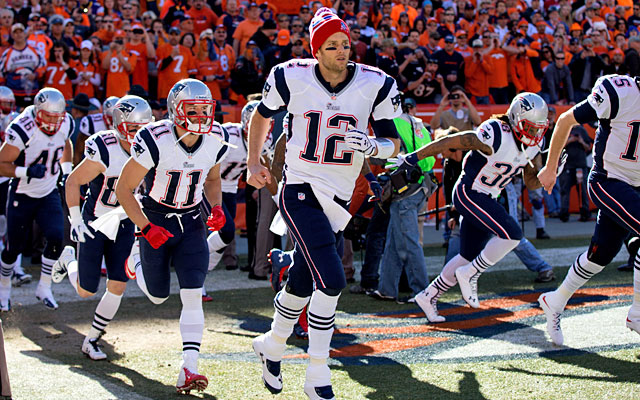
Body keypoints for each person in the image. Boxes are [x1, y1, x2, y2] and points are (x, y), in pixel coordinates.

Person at [247, 8, 401, 399]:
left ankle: (272, 345)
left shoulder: (375, 82)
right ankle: (318, 374)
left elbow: (392, 143)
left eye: (345, 44)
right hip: (299, 186)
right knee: (332, 279)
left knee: (301, 279)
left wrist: (373, 146)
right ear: (316, 50)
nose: (341, 51)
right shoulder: (290, 75)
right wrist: (253, 161)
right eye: (331, 45)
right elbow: (261, 117)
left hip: (339, 196)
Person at [390, 93, 549, 321]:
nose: (534, 134)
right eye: (529, 127)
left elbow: (532, 181)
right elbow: (452, 141)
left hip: (488, 197)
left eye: (538, 129)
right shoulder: (496, 132)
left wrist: (550, 172)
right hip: (469, 192)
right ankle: (472, 273)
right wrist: (413, 157)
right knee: (512, 235)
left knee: (467, 255)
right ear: (515, 118)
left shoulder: (535, 145)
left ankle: (428, 295)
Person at [115, 79, 229, 394]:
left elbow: (213, 178)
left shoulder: (216, 137)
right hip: (155, 217)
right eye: (191, 109)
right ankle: (135, 261)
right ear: (174, 110)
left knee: (193, 293)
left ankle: (188, 368)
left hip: (192, 221)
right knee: (157, 296)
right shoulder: (154, 138)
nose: (200, 115)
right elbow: (123, 189)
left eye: (205, 109)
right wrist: (145, 228)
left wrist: (216, 207)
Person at [537, 73, 640, 345]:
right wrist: (549, 168)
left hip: (636, 186)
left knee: (600, 255)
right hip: (609, 180)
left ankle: (554, 300)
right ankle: (638, 314)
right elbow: (564, 120)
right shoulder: (619, 91)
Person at [51, 96, 152, 360]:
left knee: (118, 284)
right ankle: (68, 260)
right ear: (119, 126)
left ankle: (92, 338)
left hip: (125, 221)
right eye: (133, 128)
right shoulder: (105, 147)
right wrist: (75, 219)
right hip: (96, 221)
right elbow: (72, 182)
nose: (139, 135)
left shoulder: (153, 145)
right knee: (86, 290)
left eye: (144, 128)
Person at [0, 87, 74, 311]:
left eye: (56, 117)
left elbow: (67, 143)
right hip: (22, 193)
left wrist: (67, 172)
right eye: (48, 116)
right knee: (14, 248)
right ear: (38, 112)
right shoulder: (22, 128)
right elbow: (2, 164)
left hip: (48, 191)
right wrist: (26, 171)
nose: (53, 122)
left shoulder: (66, 122)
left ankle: (44, 287)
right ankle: (3, 289)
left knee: (55, 237)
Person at [370, 97, 435, 303]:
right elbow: (431, 156)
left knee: (408, 242)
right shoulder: (417, 122)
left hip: (405, 189)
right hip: (423, 184)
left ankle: (423, 292)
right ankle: (387, 289)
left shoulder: (391, 123)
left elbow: (382, 155)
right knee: (394, 239)